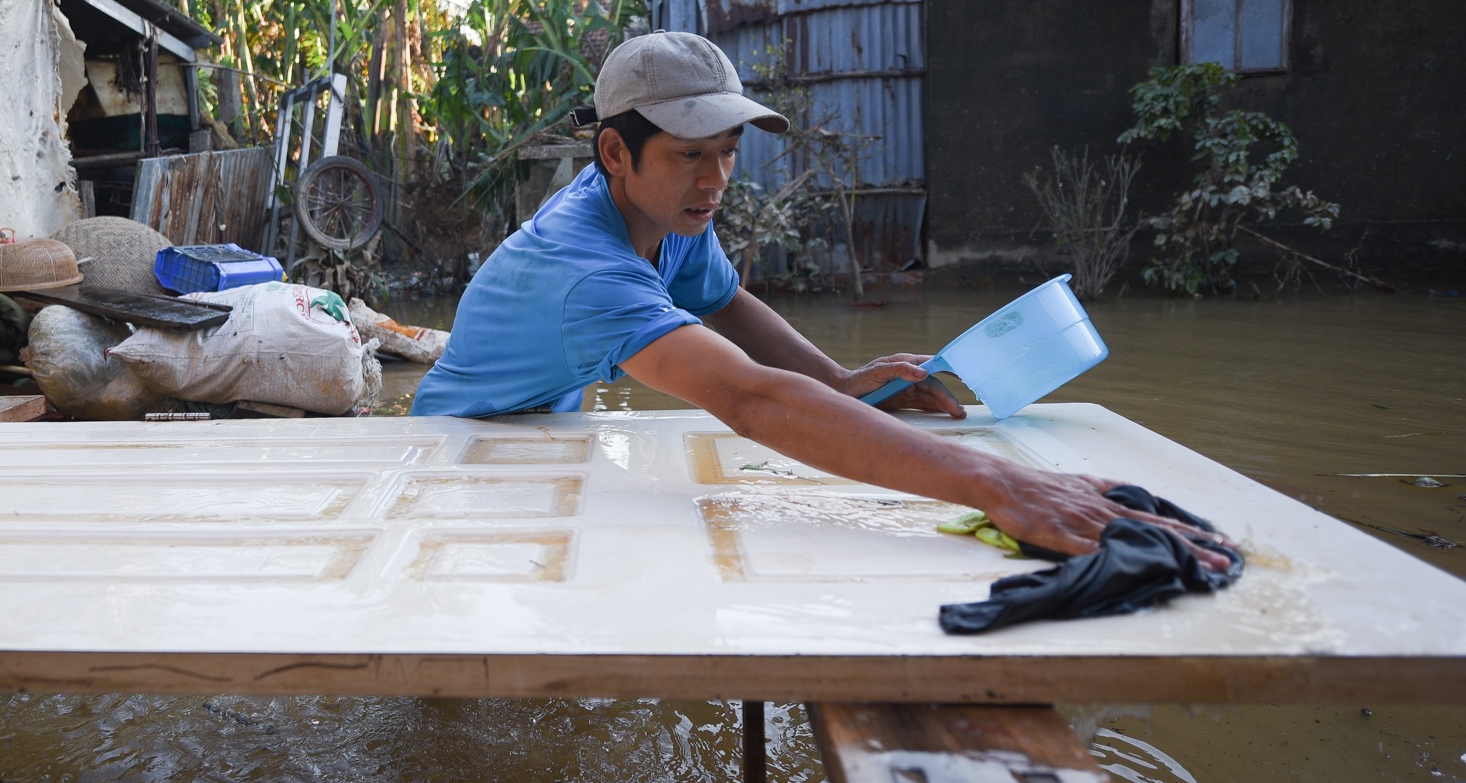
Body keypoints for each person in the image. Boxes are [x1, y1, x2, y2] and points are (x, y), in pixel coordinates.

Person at [411, 32, 1230, 567]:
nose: (717, 180)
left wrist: (837, 384)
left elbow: (728, 305)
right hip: (455, 451)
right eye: (693, 153)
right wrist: (999, 486)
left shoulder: (666, 207)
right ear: (616, 152)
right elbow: (747, 395)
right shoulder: (587, 268)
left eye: (728, 153)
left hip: (546, 431)